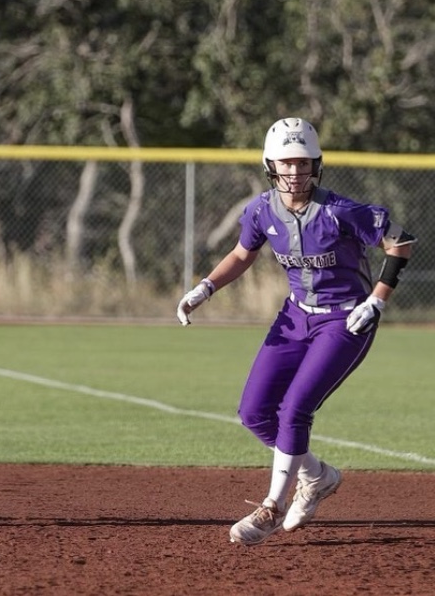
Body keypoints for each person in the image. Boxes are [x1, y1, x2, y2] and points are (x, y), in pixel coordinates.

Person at [176, 117, 416, 546]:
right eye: (286, 163)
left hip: (344, 320)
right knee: (253, 412)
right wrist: (206, 286)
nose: (294, 172)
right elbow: (242, 253)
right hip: (294, 317)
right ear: (270, 165)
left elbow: (400, 241)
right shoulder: (260, 209)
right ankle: (317, 476)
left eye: (303, 163)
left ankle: (272, 506)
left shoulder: (341, 210)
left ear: (316, 165)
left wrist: (377, 299)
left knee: (294, 410)